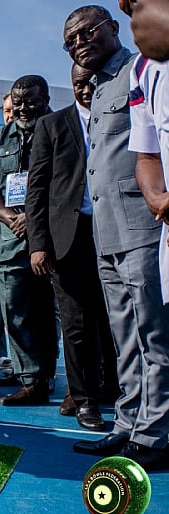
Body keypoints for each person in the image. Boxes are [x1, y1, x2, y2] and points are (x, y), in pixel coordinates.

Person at [65, 5, 169, 471]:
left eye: (87, 32)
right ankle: (127, 425)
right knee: (125, 339)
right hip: (107, 233)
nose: (79, 43)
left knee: (155, 337)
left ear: (112, 27)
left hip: (144, 226)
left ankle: (155, 435)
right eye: (70, 42)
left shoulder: (139, 70)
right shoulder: (101, 85)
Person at [26, 64, 117, 415]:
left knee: (116, 320)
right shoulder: (52, 125)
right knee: (76, 323)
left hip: (114, 231)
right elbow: (36, 191)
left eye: (93, 81)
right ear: (71, 85)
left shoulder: (121, 116)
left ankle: (116, 390)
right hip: (69, 239)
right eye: (80, 83)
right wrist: (38, 244)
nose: (87, 89)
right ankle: (84, 400)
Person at [0, 75, 61, 410]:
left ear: (46, 98)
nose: (24, 107)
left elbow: (71, 180)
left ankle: (70, 384)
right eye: (18, 101)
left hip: (54, 240)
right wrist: (12, 218)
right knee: (17, 315)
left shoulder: (60, 129)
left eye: (31, 100)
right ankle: (32, 382)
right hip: (11, 242)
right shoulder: (1, 139)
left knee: (61, 314)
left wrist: (36, 218)